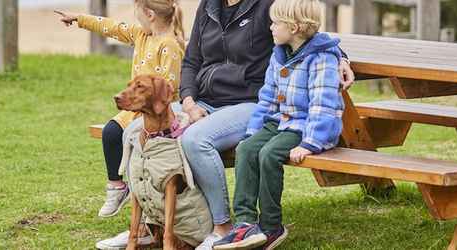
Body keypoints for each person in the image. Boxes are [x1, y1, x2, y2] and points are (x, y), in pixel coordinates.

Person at [98, 0, 355, 248]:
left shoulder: (267, 5)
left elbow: (308, 33)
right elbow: (192, 61)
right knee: (133, 131)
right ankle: (148, 225)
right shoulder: (209, 5)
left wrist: (341, 59)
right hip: (204, 101)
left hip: (250, 102)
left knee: (195, 140)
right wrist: (188, 102)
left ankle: (221, 227)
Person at [212, 0, 343, 249]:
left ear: (293, 27)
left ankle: (272, 226)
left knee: (269, 154)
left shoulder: (322, 59)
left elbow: (322, 106)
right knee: (247, 149)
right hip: (281, 121)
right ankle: (245, 224)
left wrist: (309, 144)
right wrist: (252, 133)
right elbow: (267, 98)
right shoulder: (279, 54)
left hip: (306, 127)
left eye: (275, 23)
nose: (270, 27)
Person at [54, 0, 185, 224]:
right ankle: (117, 187)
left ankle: (148, 213)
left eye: (138, 13)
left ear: (150, 14)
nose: (136, 18)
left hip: (157, 112)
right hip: (134, 110)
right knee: (111, 132)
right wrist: (79, 18)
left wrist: (144, 107)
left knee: (136, 146)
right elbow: (112, 27)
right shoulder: (140, 35)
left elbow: (168, 90)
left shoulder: (170, 45)